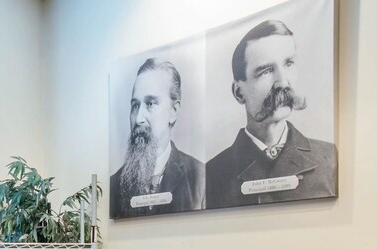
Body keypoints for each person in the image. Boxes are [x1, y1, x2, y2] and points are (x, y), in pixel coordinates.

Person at [206, 19, 337, 209]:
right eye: (266, 71)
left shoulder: (328, 158)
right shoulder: (212, 173)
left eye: (289, 63)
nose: (283, 82)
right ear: (238, 92)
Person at [110, 58, 204, 218]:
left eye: (150, 103)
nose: (139, 118)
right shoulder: (115, 184)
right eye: (135, 106)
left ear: (173, 111)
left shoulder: (199, 177)